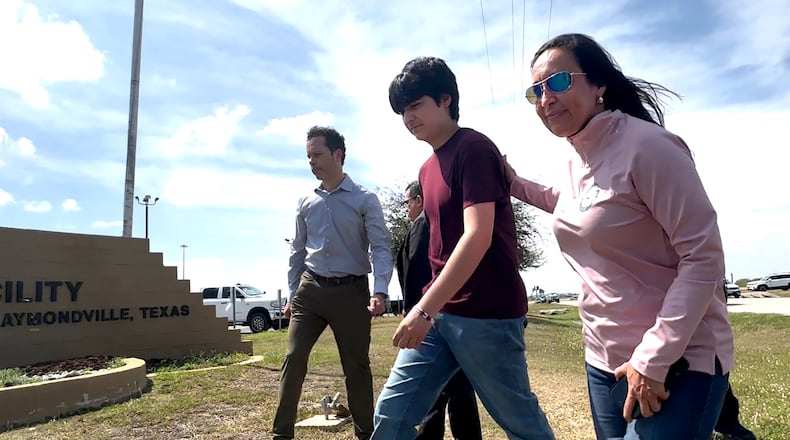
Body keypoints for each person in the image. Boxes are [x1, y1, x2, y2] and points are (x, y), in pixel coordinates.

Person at [506, 33, 734, 439]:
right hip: (604, 360)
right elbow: (570, 203)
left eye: (559, 82)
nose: (546, 99)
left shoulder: (649, 147)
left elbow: (704, 258)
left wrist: (653, 358)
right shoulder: (578, 158)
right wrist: (511, 181)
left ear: (599, 85)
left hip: (676, 362)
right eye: (536, 91)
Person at [372, 56, 554, 440]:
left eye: (415, 105)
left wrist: (422, 308)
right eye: (402, 111)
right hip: (440, 316)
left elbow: (477, 235)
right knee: (392, 417)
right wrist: (430, 309)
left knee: (521, 424)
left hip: (488, 314)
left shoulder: (474, 148)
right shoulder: (425, 169)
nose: (408, 118)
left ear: (445, 100)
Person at [273, 126, 393, 440]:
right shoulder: (305, 201)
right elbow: (297, 251)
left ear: (337, 154)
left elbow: (380, 247)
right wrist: (291, 294)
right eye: (308, 156)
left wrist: (380, 290)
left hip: (351, 292)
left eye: (317, 155)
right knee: (293, 358)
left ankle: (366, 434)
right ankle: (281, 434)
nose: (311, 162)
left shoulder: (365, 199)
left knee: (356, 367)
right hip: (310, 291)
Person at [396, 180, 483, 440]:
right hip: (440, 316)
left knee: (438, 389)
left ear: (419, 200)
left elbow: (417, 274)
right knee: (456, 388)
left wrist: (417, 312)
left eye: (407, 202)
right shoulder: (434, 225)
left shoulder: (423, 226)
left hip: (431, 318)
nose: (406, 208)